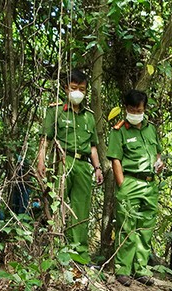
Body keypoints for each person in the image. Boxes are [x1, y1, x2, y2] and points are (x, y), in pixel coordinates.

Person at [36, 69, 103, 260]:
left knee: (81, 209)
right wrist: (41, 161)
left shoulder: (89, 116)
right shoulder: (55, 110)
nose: (78, 92)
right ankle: (55, 249)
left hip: (83, 165)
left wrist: (97, 168)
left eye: (82, 89)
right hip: (62, 162)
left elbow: (92, 147)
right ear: (66, 88)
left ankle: (78, 253)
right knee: (57, 204)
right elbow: (45, 140)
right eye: (74, 88)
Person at [107, 90, 164, 287]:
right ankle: (123, 270)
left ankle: (141, 269)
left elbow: (157, 153)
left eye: (138, 110)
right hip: (130, 182)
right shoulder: (119, 130)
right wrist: (122, 185)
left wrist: (159, 163)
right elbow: (115, 159)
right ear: (126, 108)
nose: (135, 112)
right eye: (131, 109)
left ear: (144, 109)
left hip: (150, 184)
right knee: (126, 227)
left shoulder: (151, 129)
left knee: (145, 228)